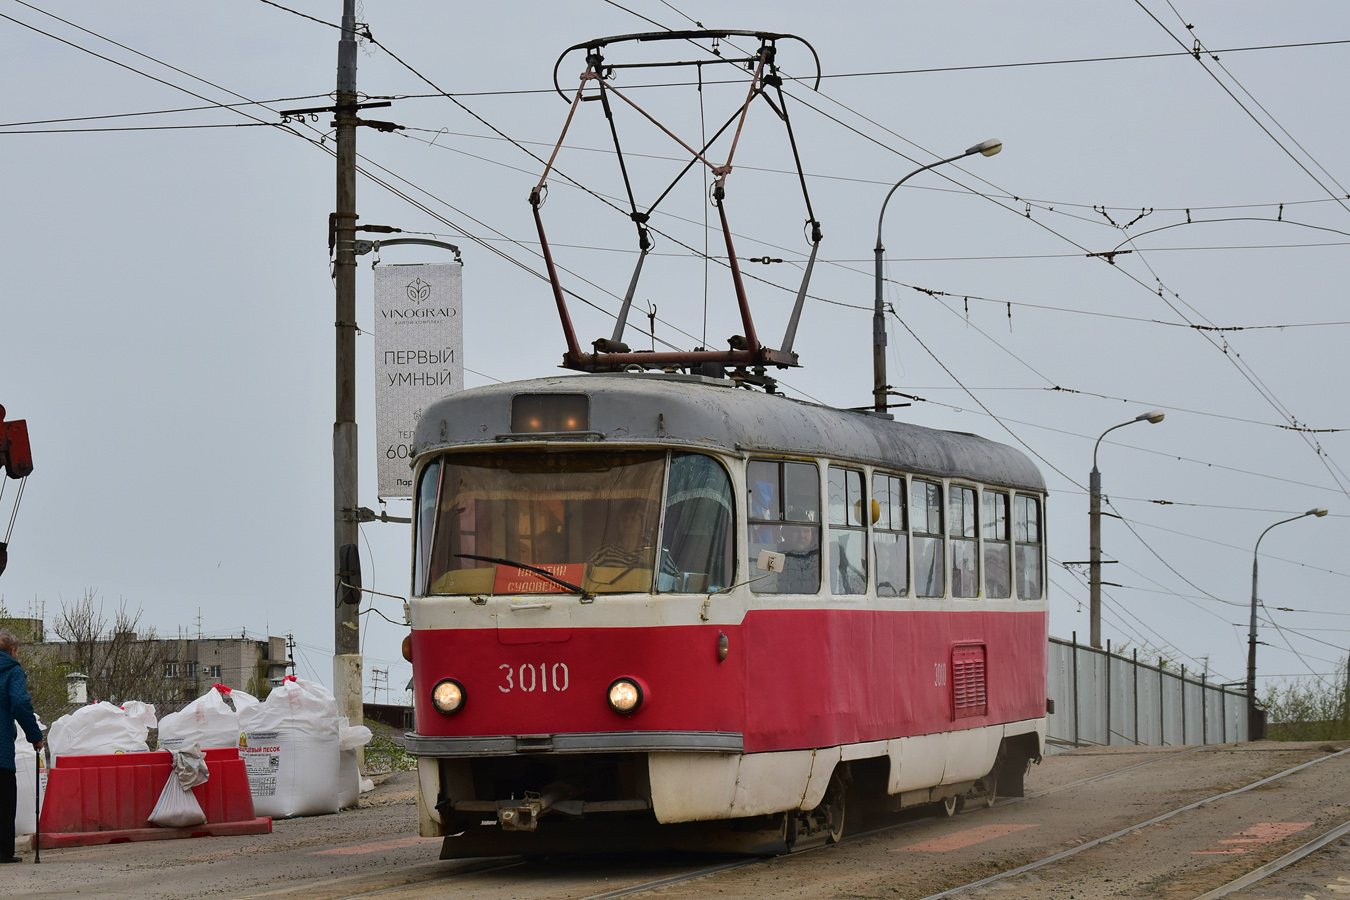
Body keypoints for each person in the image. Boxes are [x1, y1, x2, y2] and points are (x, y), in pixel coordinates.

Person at [1, 630, 44, 864]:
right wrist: (35, 736)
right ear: (13, 651)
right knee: (5, 799)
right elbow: (19, 702)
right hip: (1, 751)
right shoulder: (12, 670)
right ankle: (3, 852)